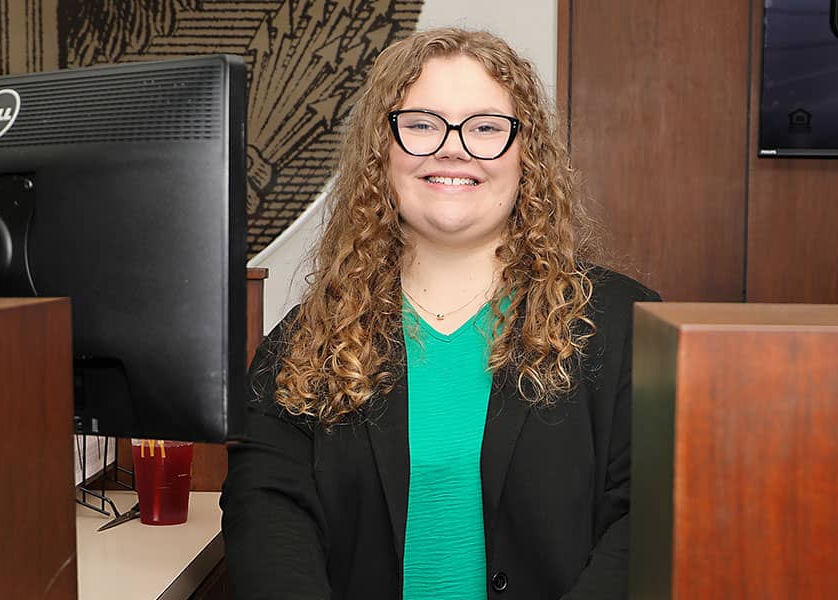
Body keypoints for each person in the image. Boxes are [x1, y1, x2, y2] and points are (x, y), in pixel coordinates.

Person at [221, 28, 660, 600]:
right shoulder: (307, 340)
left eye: (485, 128)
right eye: (423, 124)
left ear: (527, 156)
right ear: (382, 152)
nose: (453, 148)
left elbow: (647, 518)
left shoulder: (625, 325)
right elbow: (267, 514)